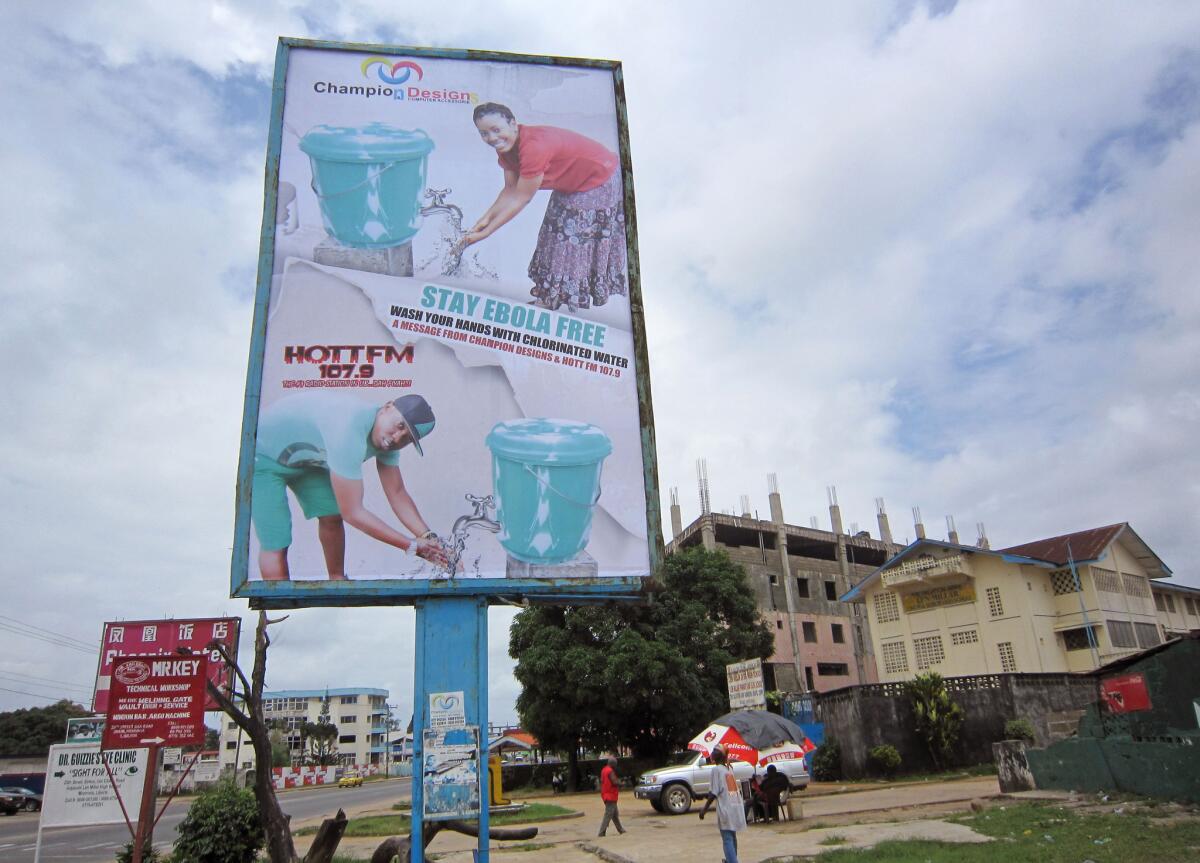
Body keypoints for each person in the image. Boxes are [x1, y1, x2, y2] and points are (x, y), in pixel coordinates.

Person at [251, 391, 451, 579]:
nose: (397, 438)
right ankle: (278, 600)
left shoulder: (386, 440)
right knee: (276, 541)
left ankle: (337, 581)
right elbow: (353, 513)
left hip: (308, 460)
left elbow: (397, 493)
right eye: (400, 426)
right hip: (264, 456)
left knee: (332, 516)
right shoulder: (349, 428)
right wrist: (412, 546)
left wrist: (429, 538)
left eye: (407, 438)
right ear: (387, 407)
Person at [463, 102, 628, 312]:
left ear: (513, 124)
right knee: (553, 233)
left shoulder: (533, 147)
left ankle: (552, 302)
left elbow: (520, 198)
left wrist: (485, 233)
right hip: (574, 178)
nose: (492, 138)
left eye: (496, 130)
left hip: (599, 177)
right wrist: (482, 221)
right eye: (484, 133)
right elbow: (510, 189)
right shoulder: (506, 147)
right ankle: (549, 298)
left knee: (569, 239)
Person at [698, 745, 747, 863]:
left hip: (726, 808)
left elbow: (713, 792)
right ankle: (731, 859)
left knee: (727, 838)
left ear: (721, 755)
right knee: (732, 836)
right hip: (736, 806)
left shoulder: (716, 770)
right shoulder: (729, 769)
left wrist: (704, 809)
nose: (713, 752)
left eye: (716, 750)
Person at [597, 755, 626, 836]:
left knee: (614, 814)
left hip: (605, 794)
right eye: (615, 764)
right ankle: (601, 832)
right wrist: (622, 783)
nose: (616, 766)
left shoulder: (604, 770)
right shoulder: (610, 771)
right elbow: (614, 782)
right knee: (609, 814)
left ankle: (621, 830)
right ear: (613, 764)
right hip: (610, 795)